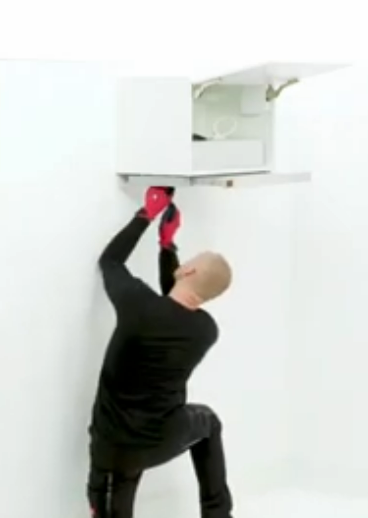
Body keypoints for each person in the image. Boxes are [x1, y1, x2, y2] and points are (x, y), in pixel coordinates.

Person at [87, 186, 235, 518]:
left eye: (190, 261)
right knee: (208, 423)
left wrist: (146, 215)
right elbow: (174, 305)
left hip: (116, 449)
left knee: (113, 494)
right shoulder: (205, 331)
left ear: (190, 271)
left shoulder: (137, 304)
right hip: (164, 438)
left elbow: (111, 261)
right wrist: (167, 247)